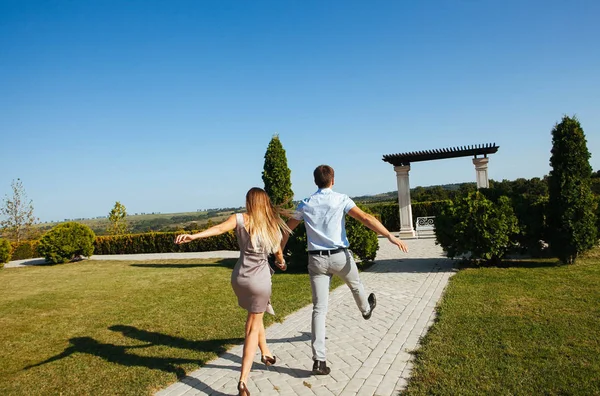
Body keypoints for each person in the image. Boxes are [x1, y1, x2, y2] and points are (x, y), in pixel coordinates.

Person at [281, 165, 408, 375]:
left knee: (319, 309)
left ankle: (319, 361)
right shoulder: (341, 199)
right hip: (340, 257)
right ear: (333, 180)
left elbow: (287, 228)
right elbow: (366, 218)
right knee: (356, 285)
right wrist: (390, 236)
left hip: (316, 261)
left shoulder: (305, 203)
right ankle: (366, 310)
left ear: (315, 182)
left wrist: (279, 252)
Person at [175, 187, 290, 396]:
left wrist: (193, 236)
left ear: (249, 202)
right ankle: (243, 381)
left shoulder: (239, 219)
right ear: (265, 203)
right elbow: (278, 254)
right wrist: (281, 263)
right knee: (251, 329)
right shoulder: (272, 226)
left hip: (239, 278)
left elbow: (218, 229)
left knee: (257, 313)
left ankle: (265, 353)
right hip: (260, 281)